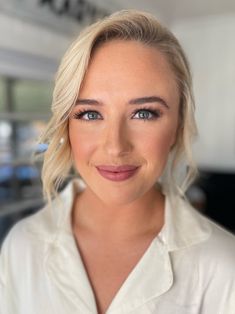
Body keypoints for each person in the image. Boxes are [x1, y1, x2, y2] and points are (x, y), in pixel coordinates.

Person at [0, 9, 235, 314]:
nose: (115, 146)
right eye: (90, 114)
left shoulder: (223, 265)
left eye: (144, 113)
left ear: (177, 127)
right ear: (66, 126)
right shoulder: (22, 246)